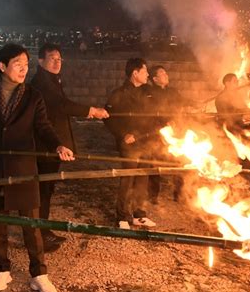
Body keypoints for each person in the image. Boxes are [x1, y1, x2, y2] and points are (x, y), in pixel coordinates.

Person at [0, 44, 74, 292]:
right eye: (17, 63)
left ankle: (39, 273)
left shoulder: (32, 95)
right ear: (2, 66)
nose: (23, 68)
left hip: (23, 167)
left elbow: (43, 126)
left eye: (26, 64)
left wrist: (57, 144)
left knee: (31, 221)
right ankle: (2, 268)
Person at [30, 43, 108, 251]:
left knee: (47, 189)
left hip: (52, 146)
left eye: (59, 59)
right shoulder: (41, 82)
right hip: (45, 147)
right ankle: (38, 235)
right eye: (52, 58)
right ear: (40, 61)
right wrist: (90, 110)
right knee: (42, 191)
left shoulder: (52, 80)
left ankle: (42, 230)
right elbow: (61, 105)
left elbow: (61, 104)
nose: (57, 62)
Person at [104, 58, 157, 229]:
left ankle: (139, 214)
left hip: (146, 141)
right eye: (145, 71)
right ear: (135, 73)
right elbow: (109, 118)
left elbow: (160, 108)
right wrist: (122, 134)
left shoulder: (148, 91)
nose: (148, 74)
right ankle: (122, 216)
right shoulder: (119, 93)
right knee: (128, 178)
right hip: (129, 143)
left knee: (143, 177)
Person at [148, 65, 184, 203]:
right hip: (158, 133)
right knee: (156, 163)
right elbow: (152, 112)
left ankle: (179, 193)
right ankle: (153, 194)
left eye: (166, 72)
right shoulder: (151, 94)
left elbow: (181, 103)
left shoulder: (173, 92)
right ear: (155, 79)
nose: (166, 75)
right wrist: (165, 122)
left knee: (179, 161)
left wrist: (195, 104)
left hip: (176, 131)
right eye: (162, 73)